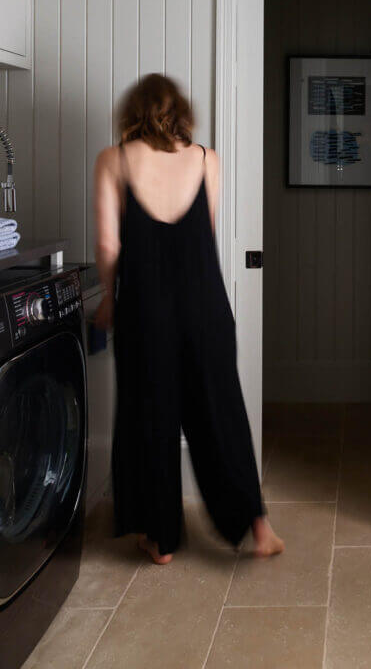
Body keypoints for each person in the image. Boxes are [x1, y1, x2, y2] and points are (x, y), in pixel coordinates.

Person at [93, 73, 283, 565]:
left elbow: (110, 246)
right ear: (180, 112)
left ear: (132, 114)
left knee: (149, 415)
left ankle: (159, 538)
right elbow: (207, 236)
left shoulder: (113, 161)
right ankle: (258, 529)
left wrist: (109, 301)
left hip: (144, 311)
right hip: (206, 309)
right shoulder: (205, 160)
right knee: (220, 413)